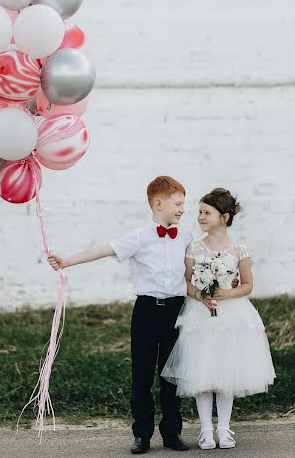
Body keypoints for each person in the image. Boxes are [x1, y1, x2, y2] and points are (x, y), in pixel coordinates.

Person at [47, 175, 192, 453]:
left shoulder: (186, 236)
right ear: (158, 203)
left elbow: (196, 267)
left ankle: (172, 432)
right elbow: (103, 249)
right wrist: (67, 261)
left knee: (172, 377)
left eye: (184, 204)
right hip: (147, 312)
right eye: (179, 203)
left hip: (177, 311)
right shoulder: (139, 237)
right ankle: (142, 435)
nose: (183, 209)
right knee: (141, 375)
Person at [161, 188, 276, 450]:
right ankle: (205, 430)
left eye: (206, 212)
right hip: (200, 316)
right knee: (202, 370)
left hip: (232, 315)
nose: (200, 217)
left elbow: (248, 285)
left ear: (224, 217)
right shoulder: (194, 247)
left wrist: (227, 293)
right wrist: (201, 295)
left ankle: (224, 428)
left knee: (225, 372)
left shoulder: (239, 249)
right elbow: (186, 281)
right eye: (200, 212)